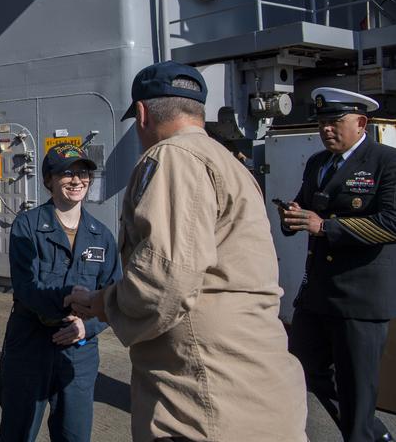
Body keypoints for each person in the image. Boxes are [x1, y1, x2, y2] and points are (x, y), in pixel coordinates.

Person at [66, 62, 307, 441]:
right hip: (252, 376)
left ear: (142, 114)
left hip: (203, 389)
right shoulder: (228, 161)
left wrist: (103, 303)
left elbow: (164, 279)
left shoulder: (173, 157)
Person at [279, 87, 395, 442]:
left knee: (357, 389)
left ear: (360, 122)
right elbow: (304, 206)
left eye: (335, 122)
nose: (326, 129)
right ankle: (373, 435)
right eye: (322, 123)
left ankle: (363, 434)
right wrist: (291, 217)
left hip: (360, 295)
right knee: (304, 368)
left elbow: (391, 222)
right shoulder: (318, 163)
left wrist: (324, 226)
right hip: (317, 294)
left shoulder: (385, 161)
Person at [0, 143, 121, 442]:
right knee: (16, 433)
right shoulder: (27, 226)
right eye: (67, 173)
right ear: (48, 179)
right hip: (29, 346)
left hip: (77, 353)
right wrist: (65, 300)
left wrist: (86, 326)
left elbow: (113, 295)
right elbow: (25, 287)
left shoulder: (102, 236)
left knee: (74, 435)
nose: (77, 180)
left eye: (83, 173)